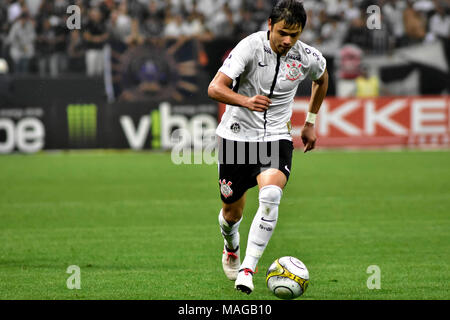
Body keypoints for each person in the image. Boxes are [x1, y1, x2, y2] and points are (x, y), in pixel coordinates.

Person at [207, 0, 328, 294]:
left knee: (271, 193)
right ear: (270, 24)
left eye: (295, 35)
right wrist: (246, 101)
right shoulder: (249, 47)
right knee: (231, 212)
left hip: (276, 137)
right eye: (283, 32)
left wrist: (310, 121)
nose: (288, 40)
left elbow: (322, 79)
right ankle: (230, 244)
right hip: (236, 138)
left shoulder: (307, 56)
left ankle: (247, 269)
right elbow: (214, 88)